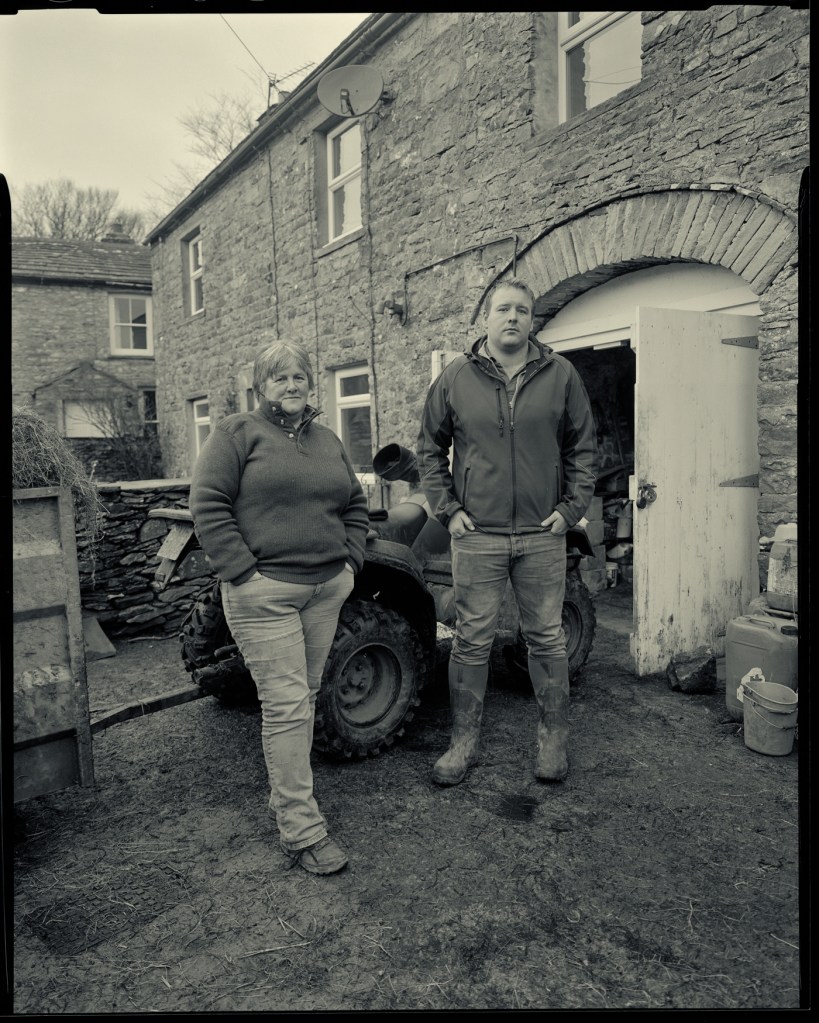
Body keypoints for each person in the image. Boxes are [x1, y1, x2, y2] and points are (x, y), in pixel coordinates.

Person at [189, 340, 369, 874]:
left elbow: (355, 502)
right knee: (289, 704)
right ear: (260, 386)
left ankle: (290, 794)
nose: (291, 386)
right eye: (279, 378)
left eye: (299, 377)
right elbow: (208, 503)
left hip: (324, 589)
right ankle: (302, 829)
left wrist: (350, 563)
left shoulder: (326, 438)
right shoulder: (236, 433)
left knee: (304, 697)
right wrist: (242, 574)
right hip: (264, 595)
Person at [417, 278, 598, 786]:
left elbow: (583, 449)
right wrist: (447, 510)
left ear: (532, 320)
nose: (513, 317)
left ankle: (552, 739)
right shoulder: (455, 378)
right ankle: (463, 742)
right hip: (477, 535)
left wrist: (571, 507)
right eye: (503, 309)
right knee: (471, 640)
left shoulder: (561, 375)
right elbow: (428, 451)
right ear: (487, 319)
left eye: (522, 309)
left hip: (543, 533)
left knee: (546, 637)